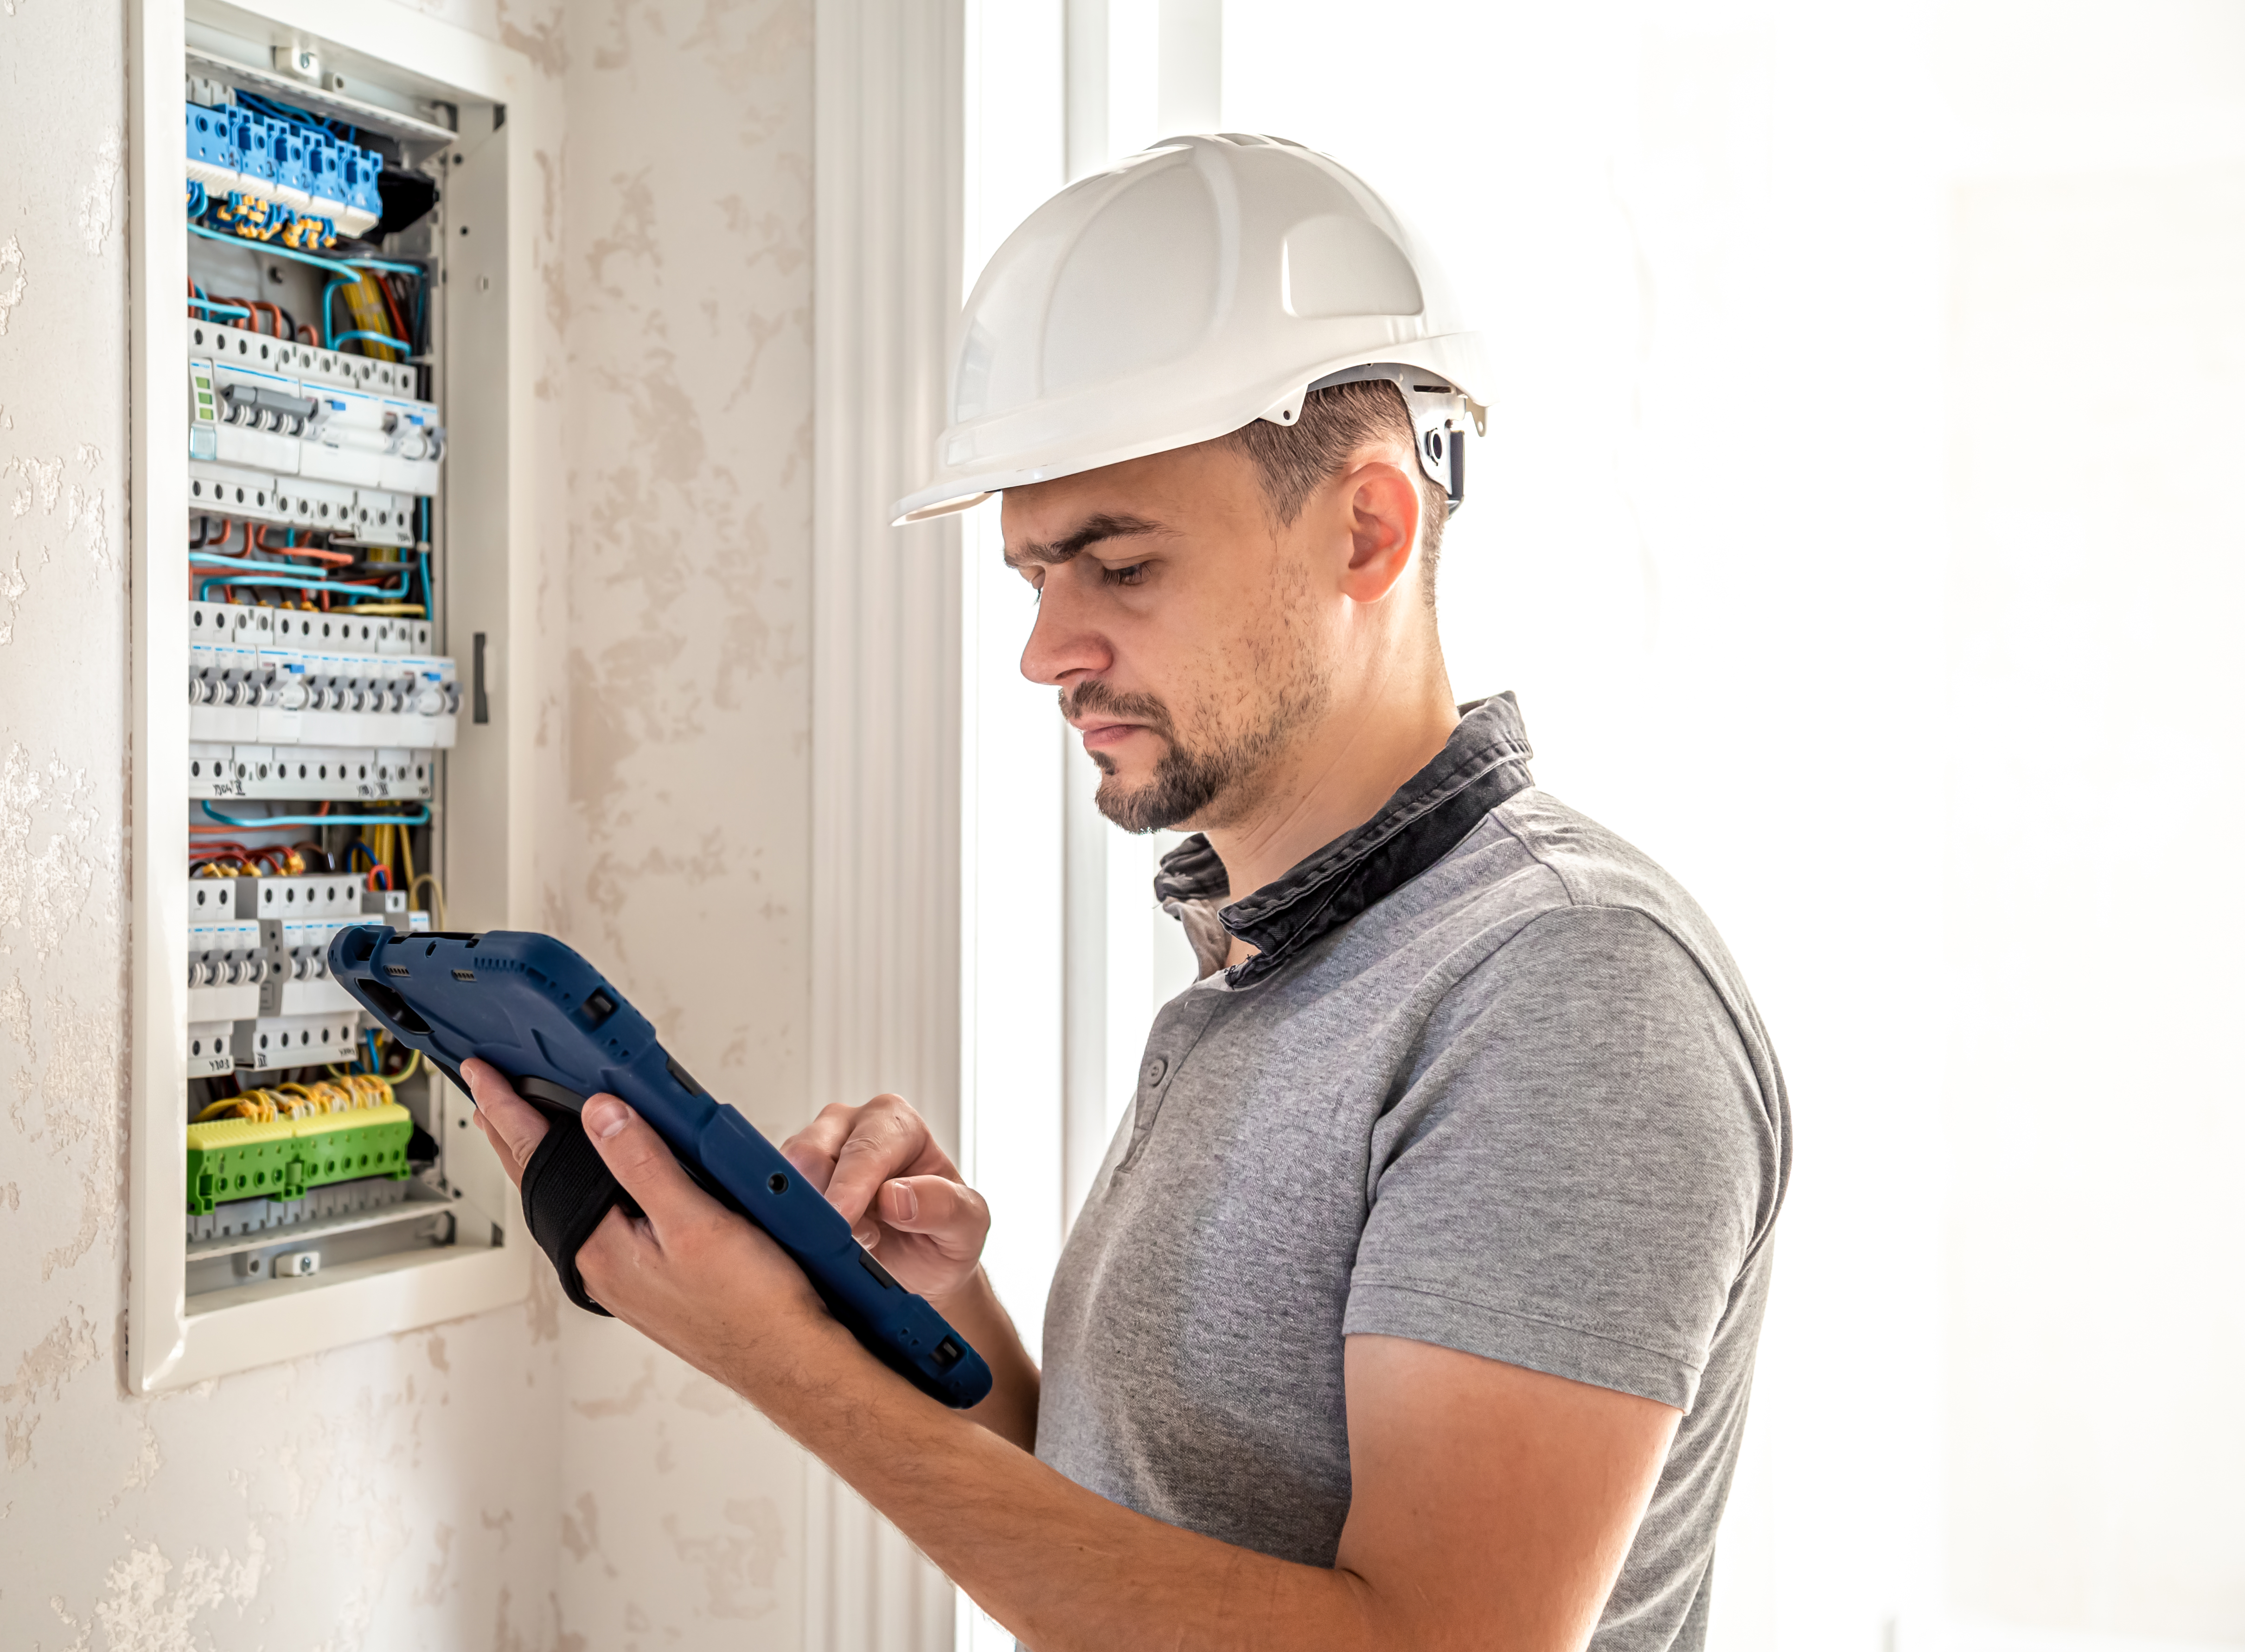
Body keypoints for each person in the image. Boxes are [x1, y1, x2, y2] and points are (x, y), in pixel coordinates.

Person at [463, 134, 1789, 1651]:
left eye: (1120, 566)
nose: (1047, 649)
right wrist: (916, 1315)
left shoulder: (1570, 989)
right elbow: (1151, 1565)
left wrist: (787, 1372)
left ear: (1369, 526)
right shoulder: (1274, 971)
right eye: (1036, 576)